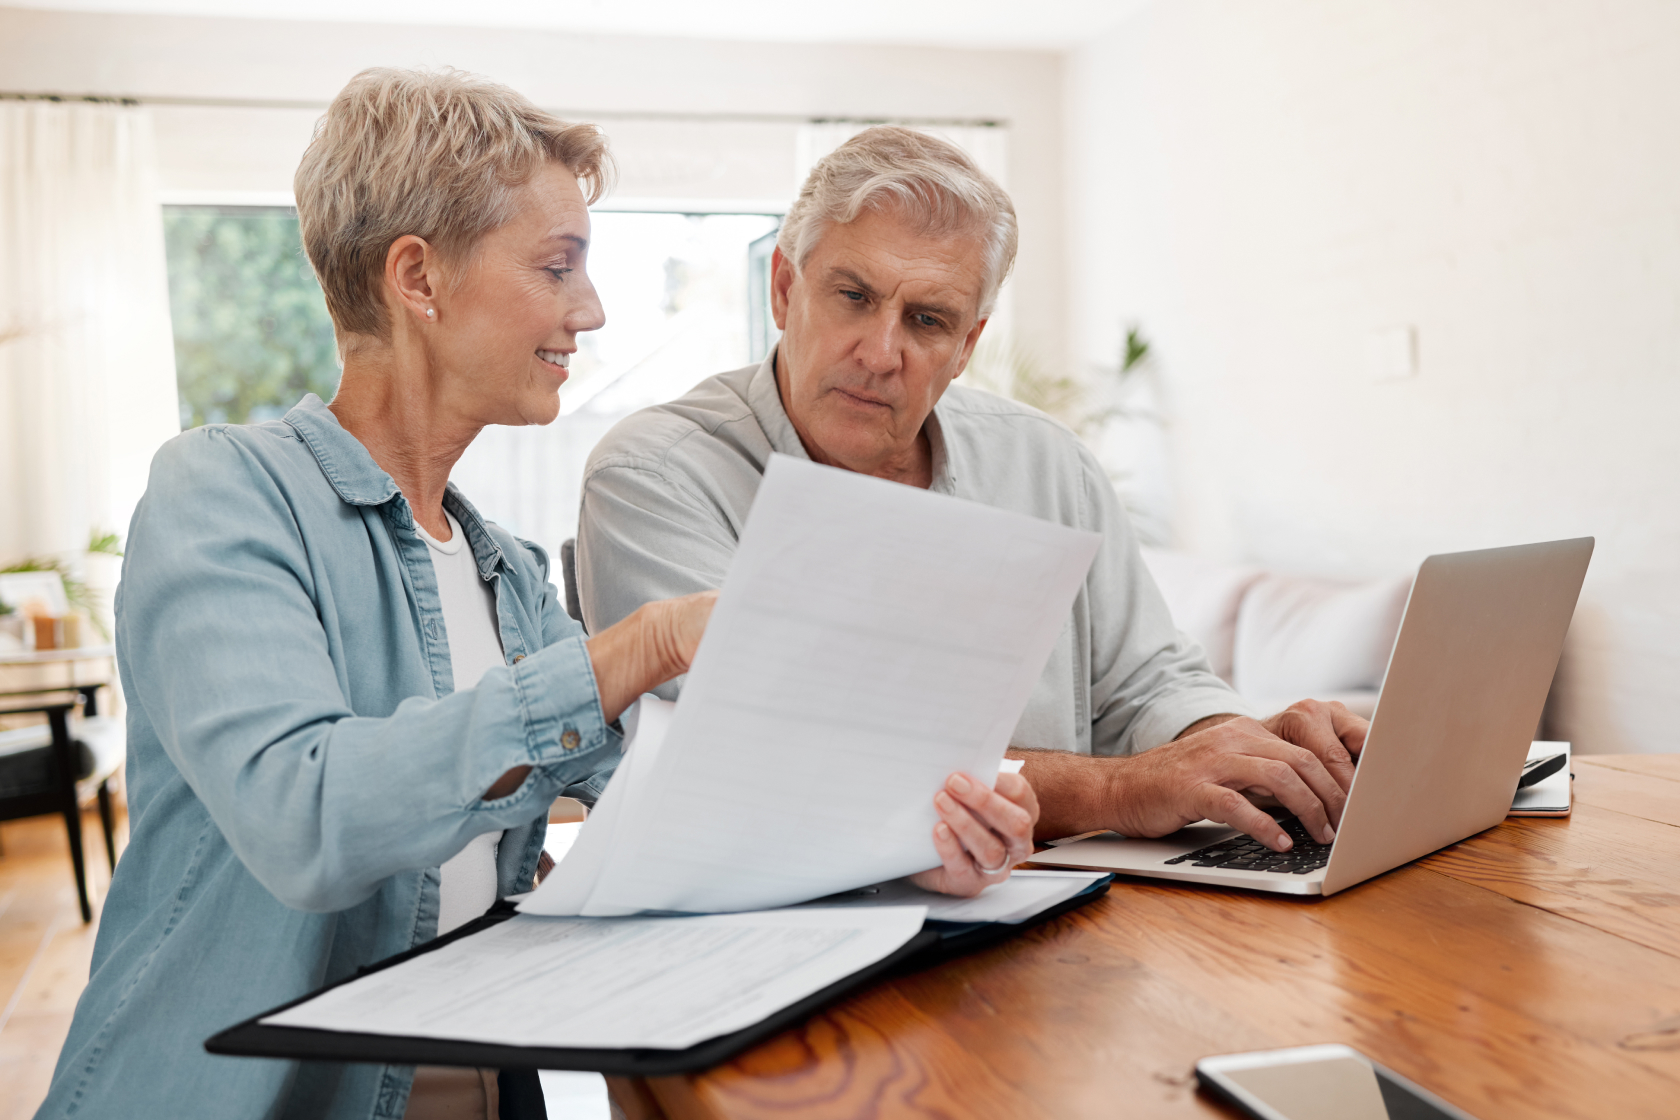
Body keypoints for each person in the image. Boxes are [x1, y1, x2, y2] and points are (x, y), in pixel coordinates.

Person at [37, 75, 1034, 1120]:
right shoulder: (225, 493)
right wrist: (638, 646)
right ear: (418, 278)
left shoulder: (504, 571)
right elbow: (306, 816)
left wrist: (920, 842)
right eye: (558, 267)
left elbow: (686, 812)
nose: (590, 310)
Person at [577, 126, 1370, 859]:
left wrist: (1245, 752)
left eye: (926, 319)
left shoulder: (1046, 460)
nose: (882, 352)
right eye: (853, 296)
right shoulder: (655, 475)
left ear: (967, 346)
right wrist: (1118, 789)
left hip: (1064, 917)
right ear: (784, 289)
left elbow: (1149, 683)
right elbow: (788, 766)